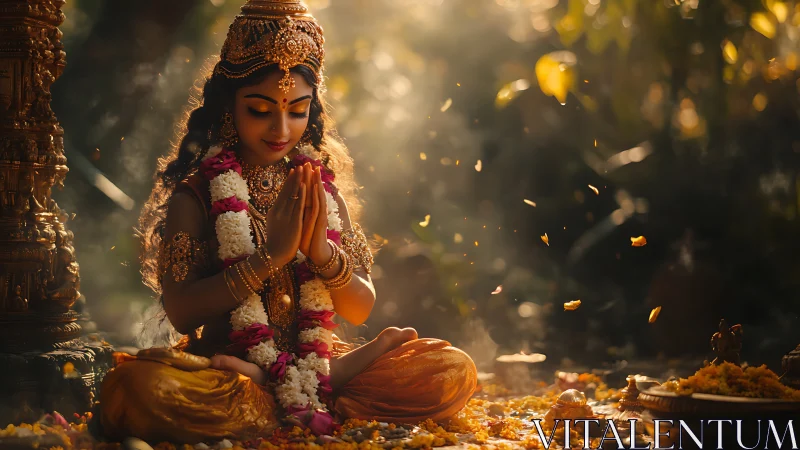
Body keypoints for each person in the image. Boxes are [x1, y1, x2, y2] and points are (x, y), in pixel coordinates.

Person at [98, 0, 477, 443]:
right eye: (261, 110)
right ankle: (297, 390)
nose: (281, 128)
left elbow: (359, 305)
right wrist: (269, 257)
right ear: (228, 106)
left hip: (312, 358)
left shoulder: (320, 188)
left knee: (450, 370)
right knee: (140, 389)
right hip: (226, 369)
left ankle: (303, 385)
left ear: (312, 109)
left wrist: (322, 254)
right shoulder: (198, 194)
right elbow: (182, 313)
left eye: (297, 110)